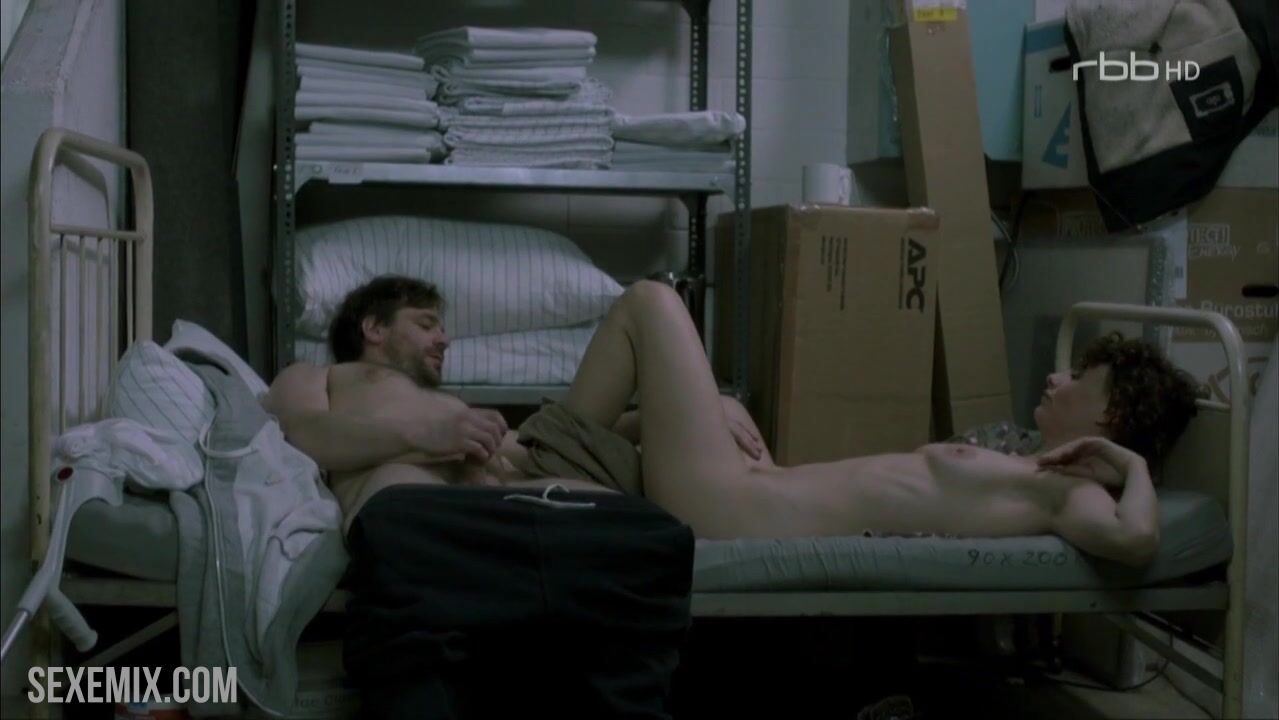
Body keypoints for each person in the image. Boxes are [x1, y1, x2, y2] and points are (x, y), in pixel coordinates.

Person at [265, 274, 1201, 567]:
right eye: (425, 323)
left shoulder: (1068, 490)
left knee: (648, 303)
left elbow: (1132, 543)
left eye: (1077, 377)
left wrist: (1129, 467)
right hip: (585, 471)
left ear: (1113, 415)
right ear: (372, 330)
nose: (443, 339)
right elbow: (302, 433)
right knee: (650, 314)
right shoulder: (315, 376)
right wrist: (690, 414)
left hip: (713, 501)